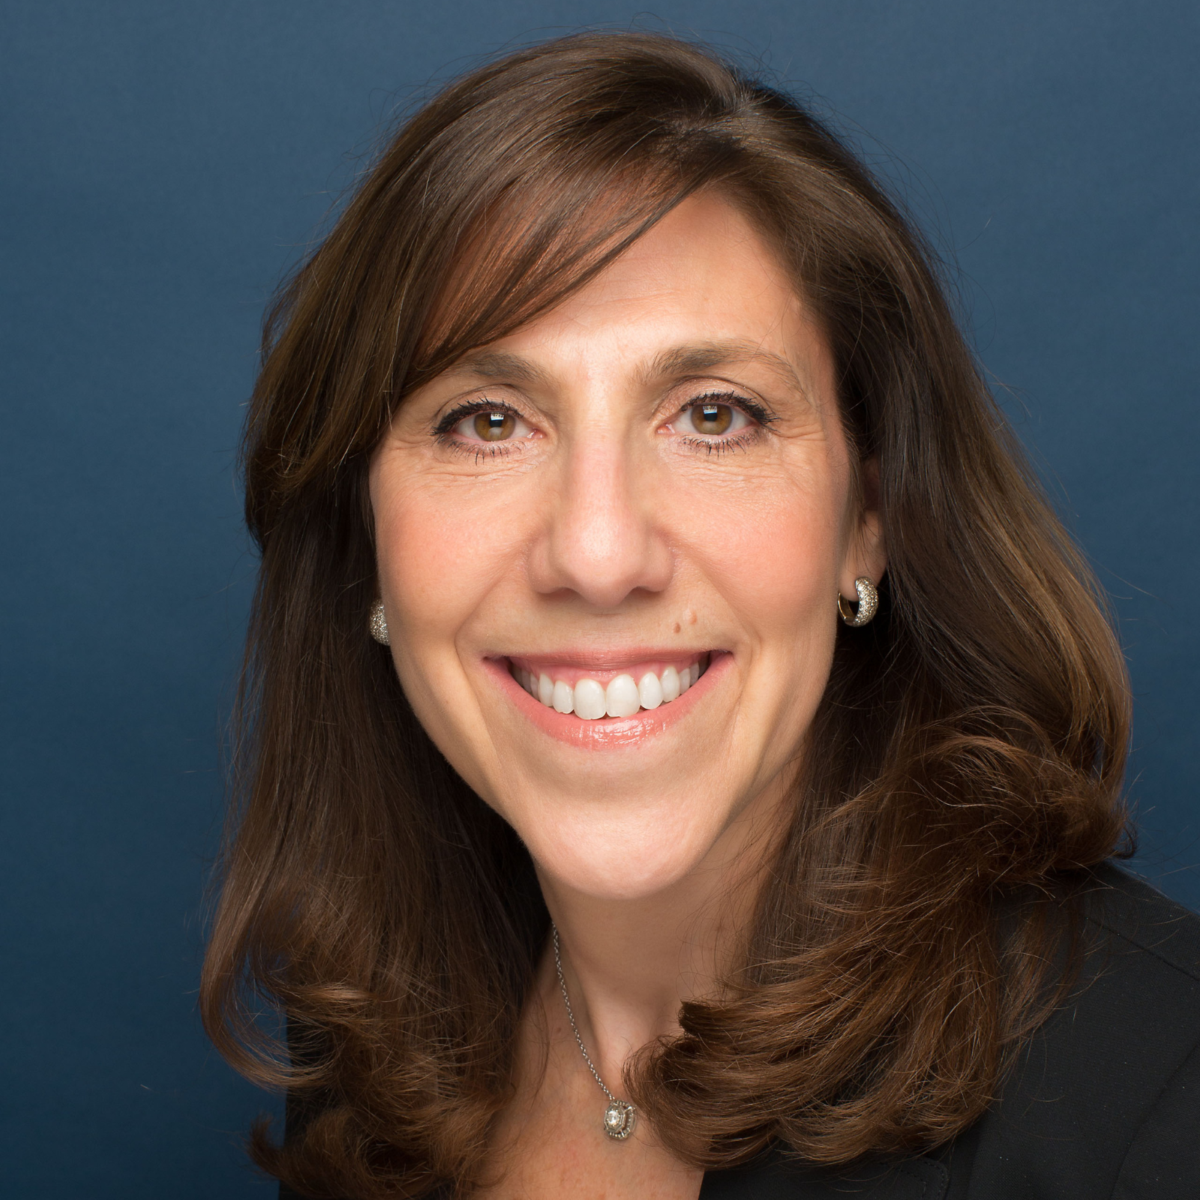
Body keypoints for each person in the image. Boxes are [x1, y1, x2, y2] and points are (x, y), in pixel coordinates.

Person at [200, 31, 1200, 1200]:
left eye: (715, 415)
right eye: (487, 420)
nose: (599, 551)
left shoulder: (1158, 1106)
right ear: (366, 533)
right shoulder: (373, 1057)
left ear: (868, 517)